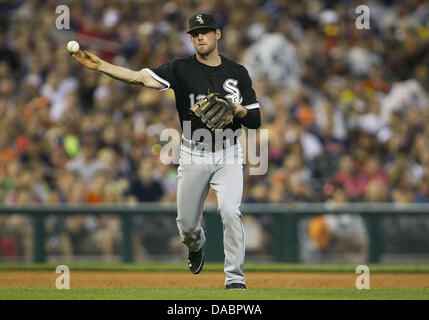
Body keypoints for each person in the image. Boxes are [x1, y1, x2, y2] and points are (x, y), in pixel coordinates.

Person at [70, 13, 261, 290]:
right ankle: (196, 245)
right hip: (193, 153)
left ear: (217, 34)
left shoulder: (237, 72)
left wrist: (237, 109)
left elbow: (255, 121)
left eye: (205, 32)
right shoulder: (180, 69)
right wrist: (101, 66)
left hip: (228, 152)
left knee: (230, 211)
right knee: (186, 226)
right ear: (190, 38)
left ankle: (235, 279)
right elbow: (138, 78)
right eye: (195, 34)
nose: (200, 37)